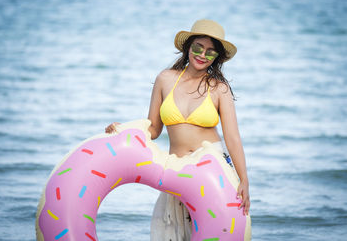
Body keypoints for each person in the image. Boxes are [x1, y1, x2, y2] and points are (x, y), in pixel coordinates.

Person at [105, 19, 250, 241]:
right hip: (177, 170)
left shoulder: (219, 88)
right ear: (188, 47)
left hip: (211, 170)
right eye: (198, 47)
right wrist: (123, 129)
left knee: (212, 231)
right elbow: (153, 128)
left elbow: (232, 138)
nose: (202, 55)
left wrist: (244, 179)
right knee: (174, 232)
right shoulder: (165, 79)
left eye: (210, 52)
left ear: (217, 57)